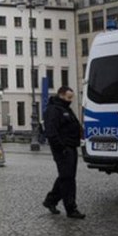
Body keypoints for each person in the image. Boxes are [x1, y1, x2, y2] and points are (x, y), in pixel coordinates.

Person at [42, 86, 85, 219]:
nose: (70, 100)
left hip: (71, 146)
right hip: (63, 149)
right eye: (68, 97)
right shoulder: (53, 110)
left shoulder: (65, 108)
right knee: (68, 179)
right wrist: (62, 148)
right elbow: (51, 132)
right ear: (61, 96)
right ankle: (71, 209)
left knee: (66, 177)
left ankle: (50, 200)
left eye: (71, 97)